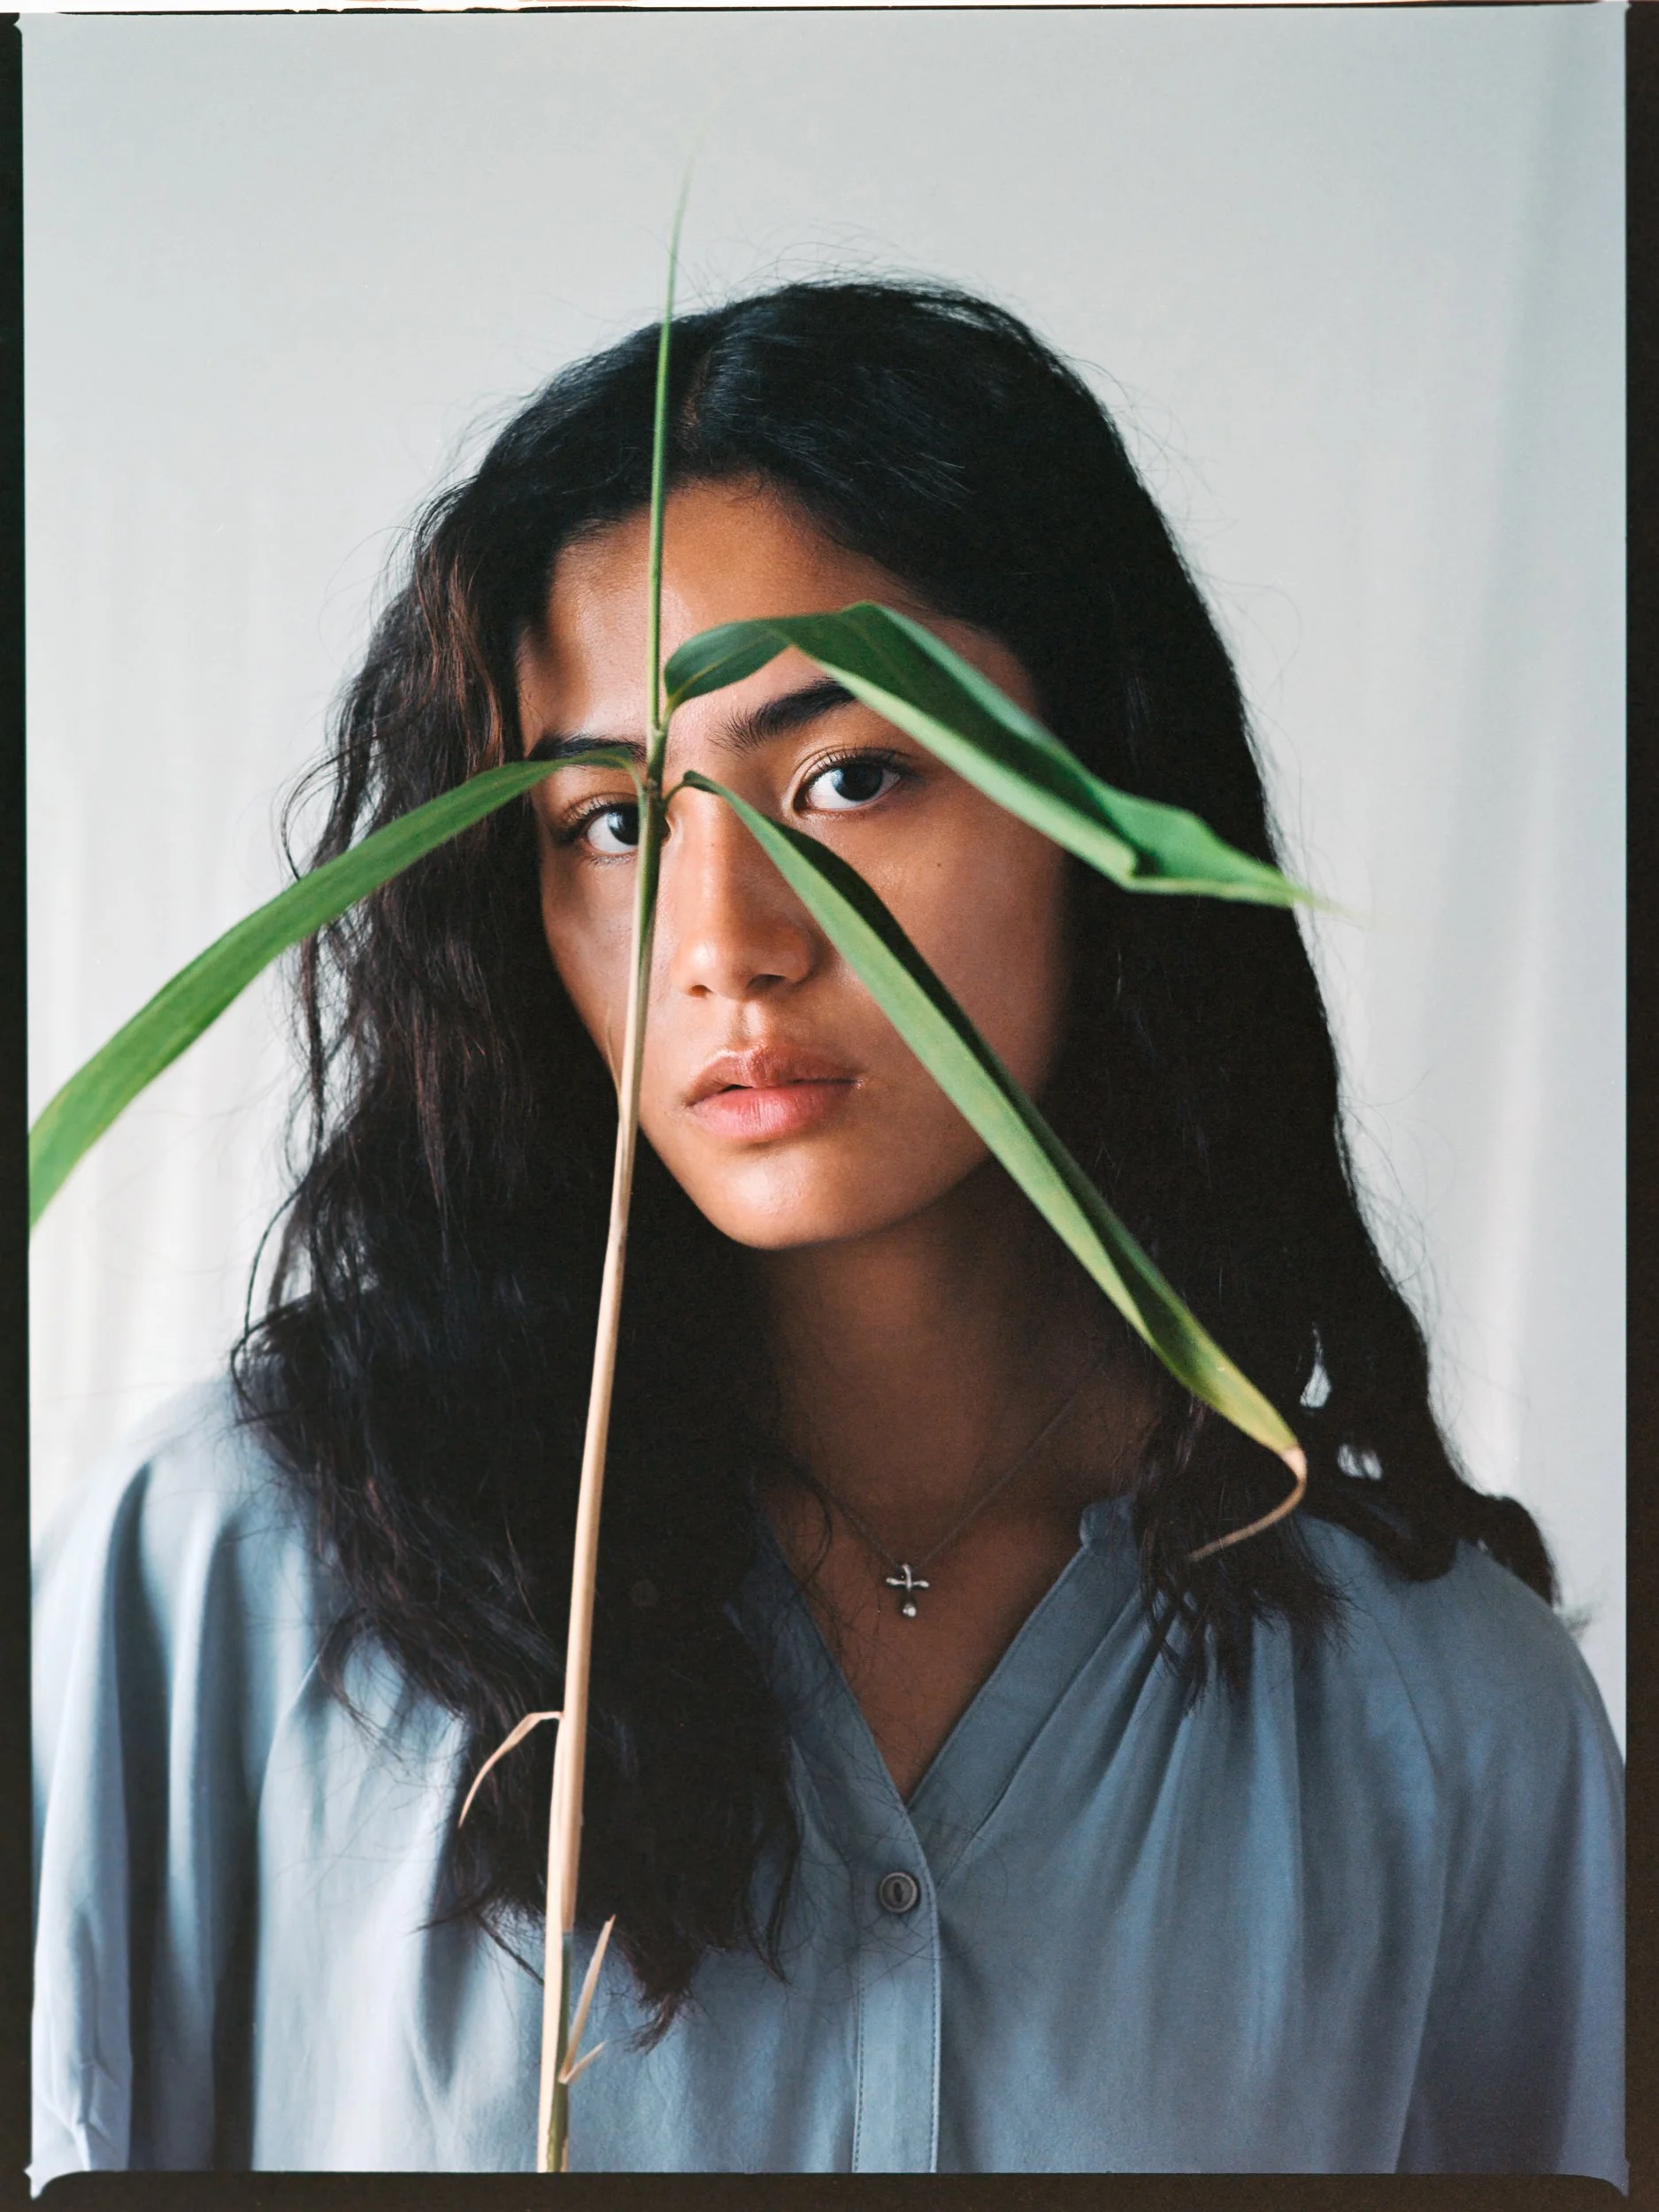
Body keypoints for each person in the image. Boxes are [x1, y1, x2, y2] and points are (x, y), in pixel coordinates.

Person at [31, 280, 1624, 2183]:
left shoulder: (1442, 1716)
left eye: (848, 776)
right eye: (613, 822)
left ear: (1105, 804)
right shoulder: (234, 1582)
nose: (723, 942)